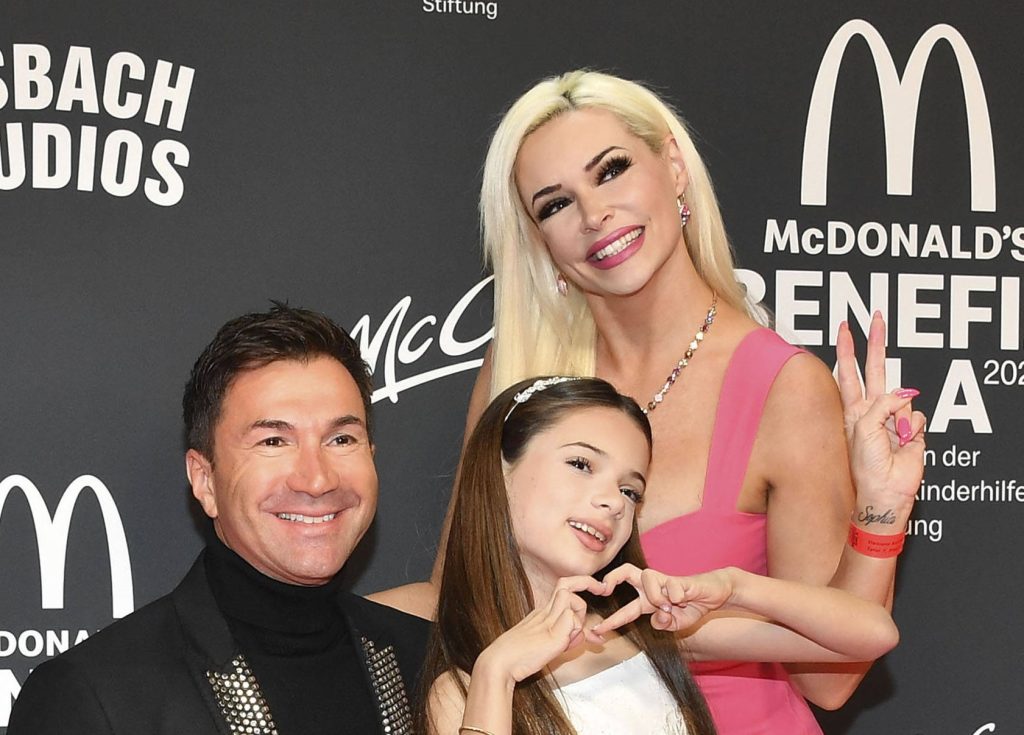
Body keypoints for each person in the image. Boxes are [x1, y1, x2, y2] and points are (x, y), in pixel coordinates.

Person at [397, 69, 919, 733]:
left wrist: (881, 508)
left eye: (611, 170)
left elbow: (832, 677)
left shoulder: (781, 385)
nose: (594, 215)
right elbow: (458, 593)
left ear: (673, 166)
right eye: (555, 204)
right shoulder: (520, 368)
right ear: (539, 240)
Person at [421, 372, 922, 735]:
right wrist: (497, 673)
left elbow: (873, 633)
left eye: (630, 490)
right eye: (581, 464)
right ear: (499, 468)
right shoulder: (464, 689)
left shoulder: (642, 630)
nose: (613, 502)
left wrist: (735, 585)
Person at [8, 304, 430, 735]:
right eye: (274, 441)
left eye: (341, 439)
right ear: (205, 480)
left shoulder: (431, 662)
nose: (318, 479)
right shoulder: (94, 696)